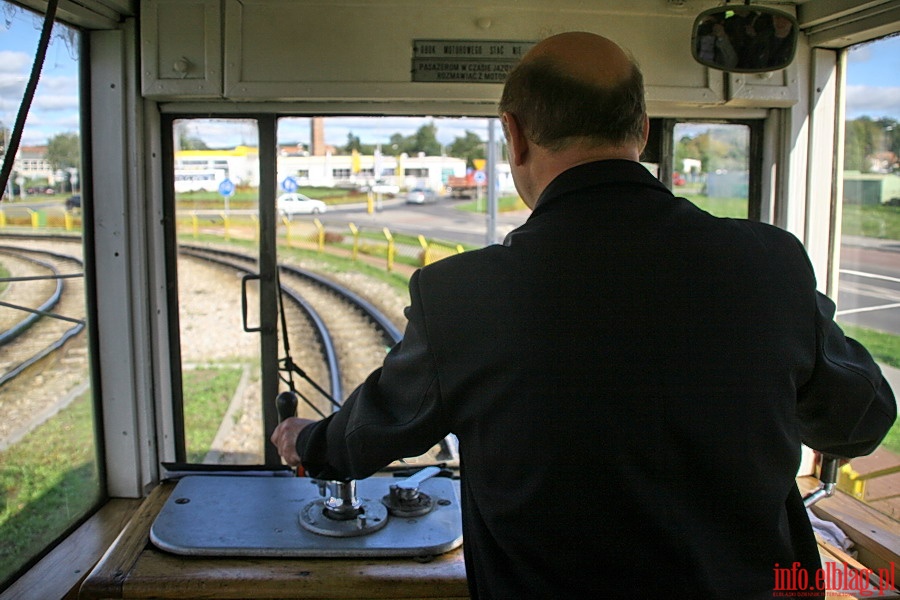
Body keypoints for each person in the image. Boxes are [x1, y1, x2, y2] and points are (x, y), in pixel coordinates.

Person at [272, 31, 895, 599]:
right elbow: (862, 420)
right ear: (643, 130)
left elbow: (370, 433)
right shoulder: (771, 264)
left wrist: (306, 441)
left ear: (513, 135)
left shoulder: (463, 294)